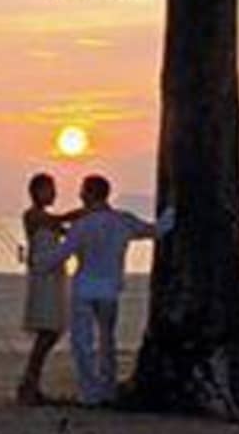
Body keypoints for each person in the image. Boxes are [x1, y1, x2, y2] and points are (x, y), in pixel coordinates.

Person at [40, 174, 173, 406]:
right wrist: (172, 211)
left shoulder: (82, 226)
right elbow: (156, 230)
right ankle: (107, 389)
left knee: (83, 343)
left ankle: (91, 393)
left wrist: (38, 263)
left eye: (83, 191)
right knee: (107, 341)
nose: (80, 196)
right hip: (109, 289)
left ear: (90, 194)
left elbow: (61, 254)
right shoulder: (123, 220)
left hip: (84, 289)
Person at [17, 172, 78, 405]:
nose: (53, 193)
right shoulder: (33, 216)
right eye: (49, 188)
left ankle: (31, 383)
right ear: (37, 191)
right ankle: (29, 384)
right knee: (47, 331)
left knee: (52, 331)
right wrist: (87, 212)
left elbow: (68, 230)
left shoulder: (46, 219)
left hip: (53, 278)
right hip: (43, 280)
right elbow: (59, 221)